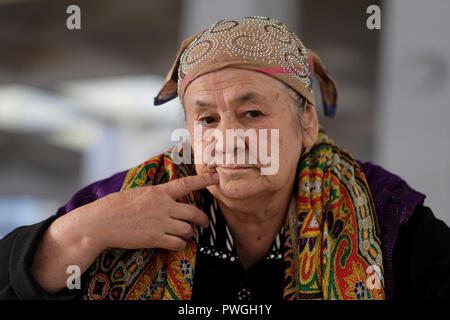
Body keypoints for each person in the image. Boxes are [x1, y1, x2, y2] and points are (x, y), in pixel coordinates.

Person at [1, 16, 449, 300]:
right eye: (208, 119)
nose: (228, 138)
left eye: (252, 113)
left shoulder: (384, 215)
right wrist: (85, 229)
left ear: (307, 124)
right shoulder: (127, 200)